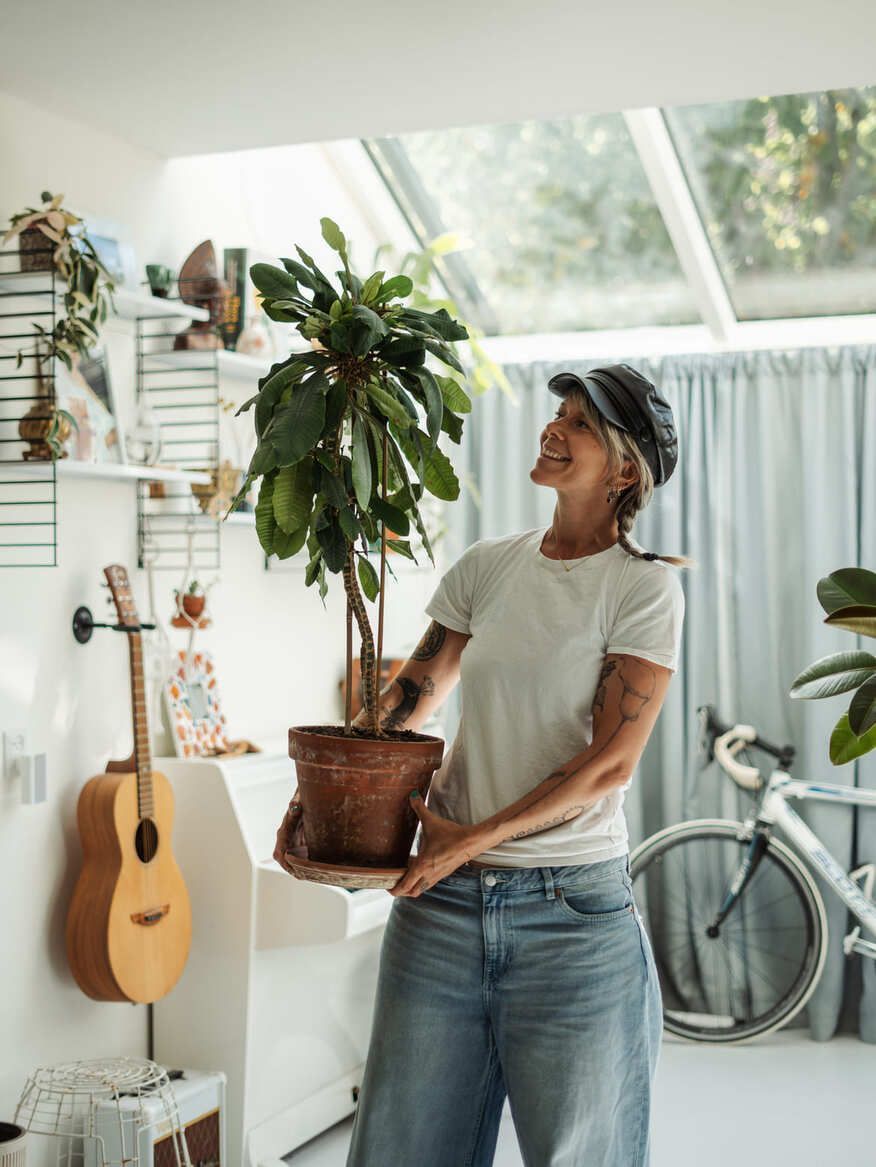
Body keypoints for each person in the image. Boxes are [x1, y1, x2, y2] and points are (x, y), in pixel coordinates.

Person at [274, 364, 694, 1166]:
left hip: (572, 920)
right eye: (558, 412)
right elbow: (408, 701)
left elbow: (609, 763)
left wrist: (468, 839)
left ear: (626, 468)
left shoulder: (643, 588)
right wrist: (316, 805)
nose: (554, 428)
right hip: (441, 915)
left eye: (579, 423)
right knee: (401, 1150)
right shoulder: (489, 565)